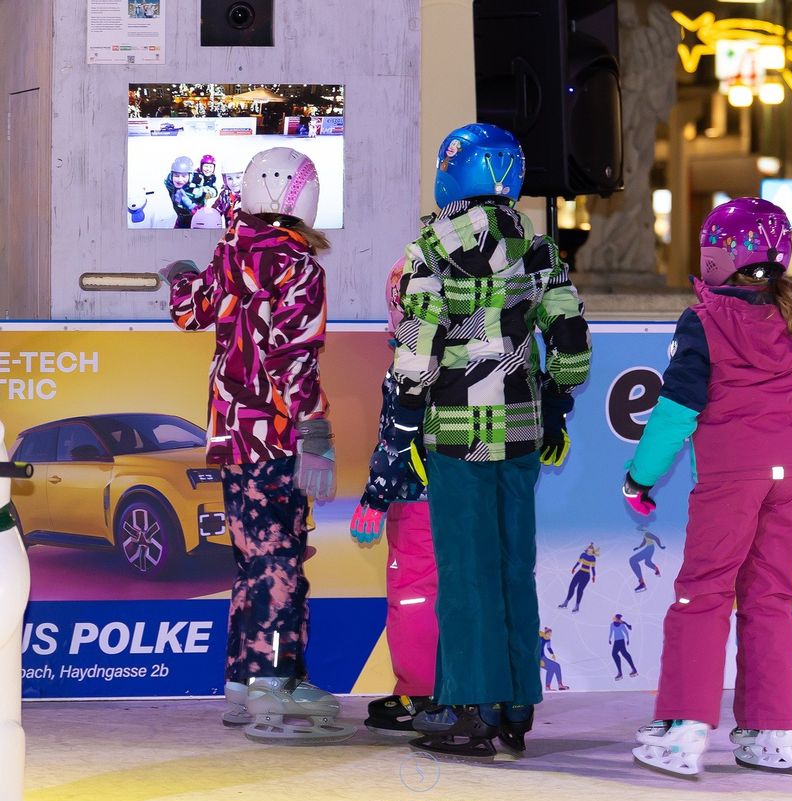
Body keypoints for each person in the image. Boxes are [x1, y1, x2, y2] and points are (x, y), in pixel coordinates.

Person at [395, 123, 591, 758]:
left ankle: (469, 707)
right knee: (514, 564)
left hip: (454, 432)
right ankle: (515, 705)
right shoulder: (540, 251)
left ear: (453, 173)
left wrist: (404, 418)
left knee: (463, 570)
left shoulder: (430, 250)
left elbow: (417, 354)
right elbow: (569, 339)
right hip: (522, 428)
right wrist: (556, 403)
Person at [162, 147, 355, 745]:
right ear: (300, 198)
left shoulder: (229, 250)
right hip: (275, 432)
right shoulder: (297, 266)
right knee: (280, 560)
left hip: (231, 433)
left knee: (252, 558)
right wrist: (313, 430)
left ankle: (244, 684)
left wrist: (180, 278)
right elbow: (292, 355)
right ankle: (276, 679)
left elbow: (191, 314)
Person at [624, 197, 792, 777]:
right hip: (787, 478)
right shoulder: (790, 316)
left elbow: (677, 409)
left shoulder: (705, 320)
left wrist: (641, 476)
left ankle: (684, 730)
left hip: (731, 479)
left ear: (720, 257)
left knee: (703, 596)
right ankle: (770, 733)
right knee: (771, 601)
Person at [350, 258, 439, 736]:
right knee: (465, 591)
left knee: (415, 593)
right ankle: (474, 690)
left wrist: (375, 497)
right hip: (468, 496)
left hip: (416, 499)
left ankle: (420, 693)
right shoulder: (473, 354)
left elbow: (395, 439)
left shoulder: (409, 364)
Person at [559, 542, 599, 612]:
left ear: (593, 550)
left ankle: (577, 606)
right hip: (579, 572)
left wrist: (594, 576)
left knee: (579, 590)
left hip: (586, 575)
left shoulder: (593, 558)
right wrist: (574, 568)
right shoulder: (583, 555)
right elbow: (578, 562)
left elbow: (593, 568)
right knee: (572, 586)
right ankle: (566, 602)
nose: (590, 549)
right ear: (587, 549)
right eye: (589, 548)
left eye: (591, 548)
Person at [163, 155, 197, 229]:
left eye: (184, 176)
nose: (180, 180)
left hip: (193, 222)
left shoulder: (195, 190)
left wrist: (190, 206)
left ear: (190, 177)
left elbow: (203, 215)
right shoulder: (168, 187)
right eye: (176, 176)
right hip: (174, 222)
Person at [629, 527, 665, 593]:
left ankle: (642, 583)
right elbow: (644, 542)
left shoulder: (647, 534)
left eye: (638, 531)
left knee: (632, 560)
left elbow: (656, 538)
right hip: (650, 548)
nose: (638, 533)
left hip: (649, 549)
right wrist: (638, 548)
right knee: (647, 562)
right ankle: (656, 569)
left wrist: (660, 546)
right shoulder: (645, 535)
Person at [609, 614, 638, 681]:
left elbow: (626, 632)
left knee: (621, 654)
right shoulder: (612, 625)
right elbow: (611, 632)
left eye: (615, 618)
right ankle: (623, 671)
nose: (614, 619)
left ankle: (626, 671)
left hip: (621, 641)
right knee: (618, 654)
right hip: (616, 641)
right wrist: (609, 639)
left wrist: (628, 639)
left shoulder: (621, 625)